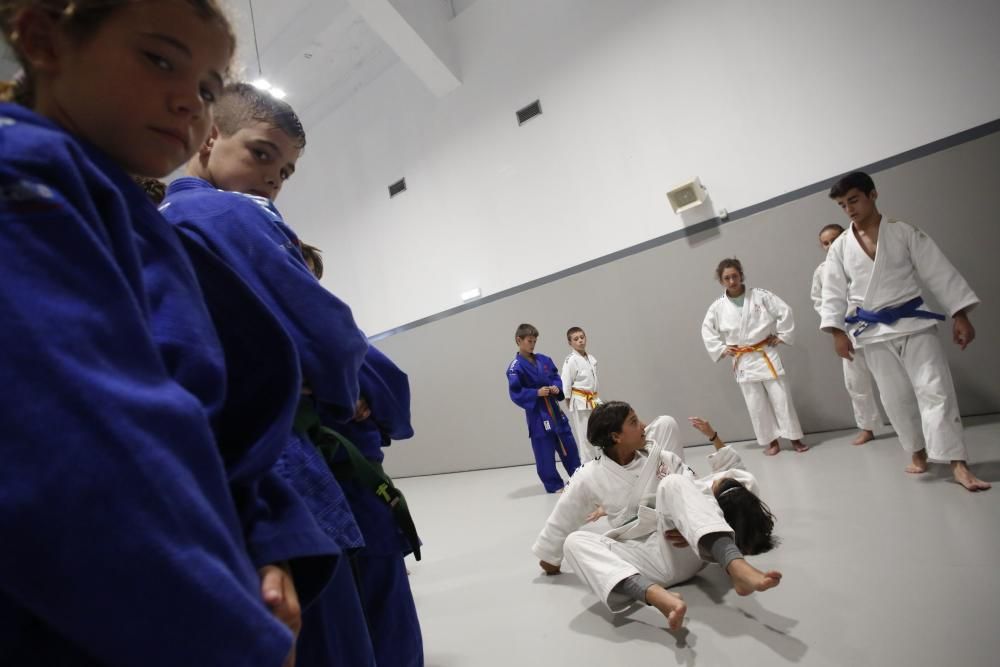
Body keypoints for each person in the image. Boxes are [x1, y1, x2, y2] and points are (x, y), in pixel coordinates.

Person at [0, 1, 308, 663]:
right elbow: (67, 443)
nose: (188, 104)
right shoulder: (20, 177)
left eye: (205, 89)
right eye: (160, 59)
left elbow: (208, 421)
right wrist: (220, 631)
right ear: (43, 37)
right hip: (100, 607)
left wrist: (256, 545)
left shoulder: (121, 204)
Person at [161, 83, 424, 665]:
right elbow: (331, 340)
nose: (273, 180)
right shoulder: (233, 212)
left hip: (202, 474)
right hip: (283, 457)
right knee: (345, 630)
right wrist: (340, 394)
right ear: (209, 137)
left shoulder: (146, 228)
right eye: (260, 154)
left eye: (285, 171)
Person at [532, 401, 781, 630]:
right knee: (573, 542)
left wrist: (689, 526)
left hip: (682, 549)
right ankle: (657, 597)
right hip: (641, 563)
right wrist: (549, 557)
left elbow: (696, 497)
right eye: (633, 422)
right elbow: (562, 519)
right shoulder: (589, 476)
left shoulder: (662, 458)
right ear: (615, 436)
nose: (643, 426)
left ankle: (736, 566)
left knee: (674, 483)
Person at [821, 171, 990, 491]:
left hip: (914, 323)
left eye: (853, 200)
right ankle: (917, 451)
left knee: (936, 389)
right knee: (895, 398)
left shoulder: (904, 232)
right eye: (843, 205)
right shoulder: (840, 247)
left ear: (873, 195)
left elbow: (939, 271)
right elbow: (832, 292)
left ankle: (957, 463)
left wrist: (960, 314)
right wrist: (836, 332)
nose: (849, 209)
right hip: (871, 332)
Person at [702, 258, 808, 455]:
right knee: (756, 404)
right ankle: (771, 442)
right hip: (743, 359)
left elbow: (784, 311)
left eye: (734, 276)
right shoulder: (717, 307)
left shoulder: (761, 296)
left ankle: (794, 438)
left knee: (781, 397)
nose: (732, 281)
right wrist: (722, 348)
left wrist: (783, 335)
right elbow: (707, 330)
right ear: (721, 281)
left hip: (765, 352)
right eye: (727, 278)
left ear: (741, 275)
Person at [811, 223, 883, 445]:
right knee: (856, 384)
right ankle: (867, 428)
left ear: (845, 236)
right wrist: (836, 328)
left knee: (891, 380)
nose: (831, 245)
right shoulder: (822, 272)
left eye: (835, 239)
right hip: (848, 331)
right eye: (826, 242)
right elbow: (820, 302)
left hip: (876, 326)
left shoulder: (866, 258)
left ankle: (909, 424)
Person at [508, 323, 581, 492]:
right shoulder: (515, 367)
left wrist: (556, 388)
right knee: (544, 449)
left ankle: (578, 477)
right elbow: (516, 392)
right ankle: (554, 484)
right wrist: (535, 393)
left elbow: (556, 377)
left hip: (554, 409)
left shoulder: (544, 360)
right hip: (538, 413)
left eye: (534, 341)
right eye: (529, 341)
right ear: (519, 340)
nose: (532, 344)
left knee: (568, 442)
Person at [561, 326, 602, 463]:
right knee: (585, 436)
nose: (580, 341)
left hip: (594, 400)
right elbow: (566, 381)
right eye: (576, 339)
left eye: (582, 337)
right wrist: (568, 399)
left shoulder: (591, 358)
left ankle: (601, 462)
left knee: (598, 432)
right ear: (570, 343)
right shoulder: (571, 360)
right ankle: (588, 467)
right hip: (580, 401)